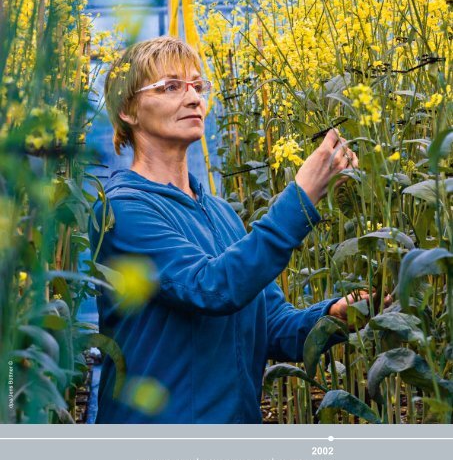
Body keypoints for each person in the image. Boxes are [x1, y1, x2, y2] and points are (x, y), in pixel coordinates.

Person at [88, 36, 391, 424]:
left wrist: (335, 315)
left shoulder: (220, 213)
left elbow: (274, 326)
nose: (194, 98)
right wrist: (301, 199)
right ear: (127, 109)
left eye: (198, 86)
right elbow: (210, 287)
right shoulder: (120, 210)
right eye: (171, 86)